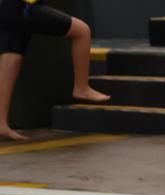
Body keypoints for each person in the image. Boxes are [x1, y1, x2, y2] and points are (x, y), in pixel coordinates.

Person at [0, 0, 109, 141]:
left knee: (11, 61)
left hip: (9, 8)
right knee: (82, 32)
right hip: (24, 8)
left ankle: (1, 122)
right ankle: (81, 87)